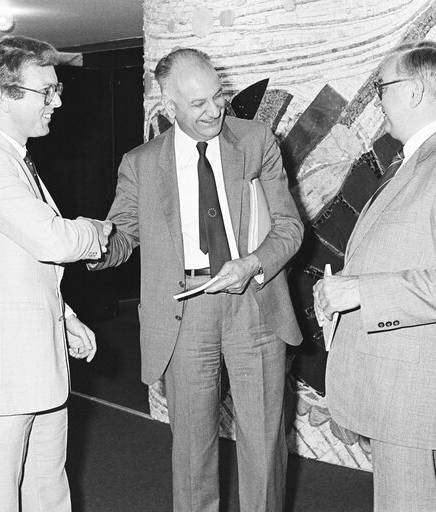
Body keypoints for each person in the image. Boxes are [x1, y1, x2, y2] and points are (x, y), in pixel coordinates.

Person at [89, 48, 303, 511]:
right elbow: (122, 235)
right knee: (191, 449)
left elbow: (289, 227)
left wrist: (250, 264)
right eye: (197, 104)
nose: (214, 111)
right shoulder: (141, 163)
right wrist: (87, 245)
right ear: (168, 106)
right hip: (184, 312)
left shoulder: (256, 140)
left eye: (218, 96)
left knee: (264, 442)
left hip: (255, 303)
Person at [314, 41, 436, 511]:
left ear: (416, 92)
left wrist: (361, 291)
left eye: (383, 87)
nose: (378, 100)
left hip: (414, 397)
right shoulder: (427, 157)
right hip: (402, 388)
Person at [0, 35, 111, 512]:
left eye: (57, 91)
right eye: (47, 91)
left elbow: (17, 261)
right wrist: (96, 231)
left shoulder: (16, 159)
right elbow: (52, 239)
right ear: (2, 94)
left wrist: (65, 316)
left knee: (47, 494)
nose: (57, 101)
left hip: (36, 364)